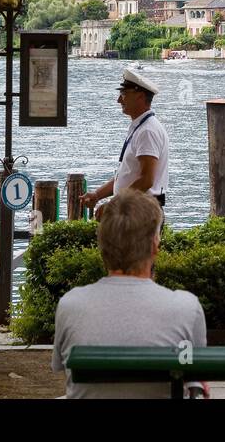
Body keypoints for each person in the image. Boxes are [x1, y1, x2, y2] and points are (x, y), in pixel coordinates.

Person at [52, 190, 207, 398]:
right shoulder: (186, 308)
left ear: (102, 245)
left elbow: (62, 368)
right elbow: (195, 376)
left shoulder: (71, 305)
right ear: (154, 245)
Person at [81, 69, 169, 212]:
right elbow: (127, 174)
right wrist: (97, 195)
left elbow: (146, 180)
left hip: (140, 212)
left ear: (140, 96)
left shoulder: (147, 131)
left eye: (124, 94)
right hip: (135, 208)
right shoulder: (140, 127)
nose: (119, 100)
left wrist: (113, 205)